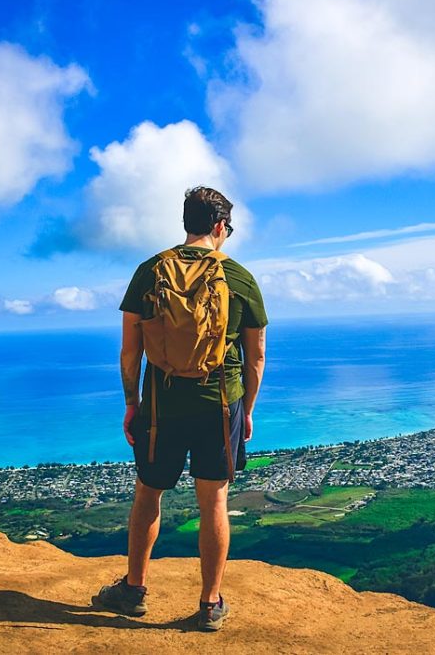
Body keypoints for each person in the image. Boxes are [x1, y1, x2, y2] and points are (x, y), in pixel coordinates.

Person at [95, 186, 268, 632]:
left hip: (161, 405)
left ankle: (134, 590)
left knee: (148, 493)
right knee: (213, 500)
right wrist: (246, 409)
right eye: (228, 227)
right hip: (219, 404)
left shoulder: (150, 271)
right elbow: (257, 355)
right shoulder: (241, 278)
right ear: (218, 226)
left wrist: (132, 404)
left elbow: (130, 351)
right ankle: (210, 604)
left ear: (186, 221)